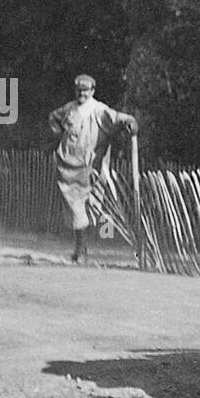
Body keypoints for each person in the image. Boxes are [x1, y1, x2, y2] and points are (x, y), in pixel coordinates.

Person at [48, 74, 138, 262]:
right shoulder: (69, 109)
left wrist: (130, 122)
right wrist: (60, 137)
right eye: (79, 90)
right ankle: (81, 250)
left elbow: (118, 118)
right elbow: (54, 118)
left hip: (90, 169)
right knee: (75, 209)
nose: (81, 93)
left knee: (92, 207)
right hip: (68, 169)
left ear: (92, 91)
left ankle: (91, 247)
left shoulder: (98, 110)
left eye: (85, 90)